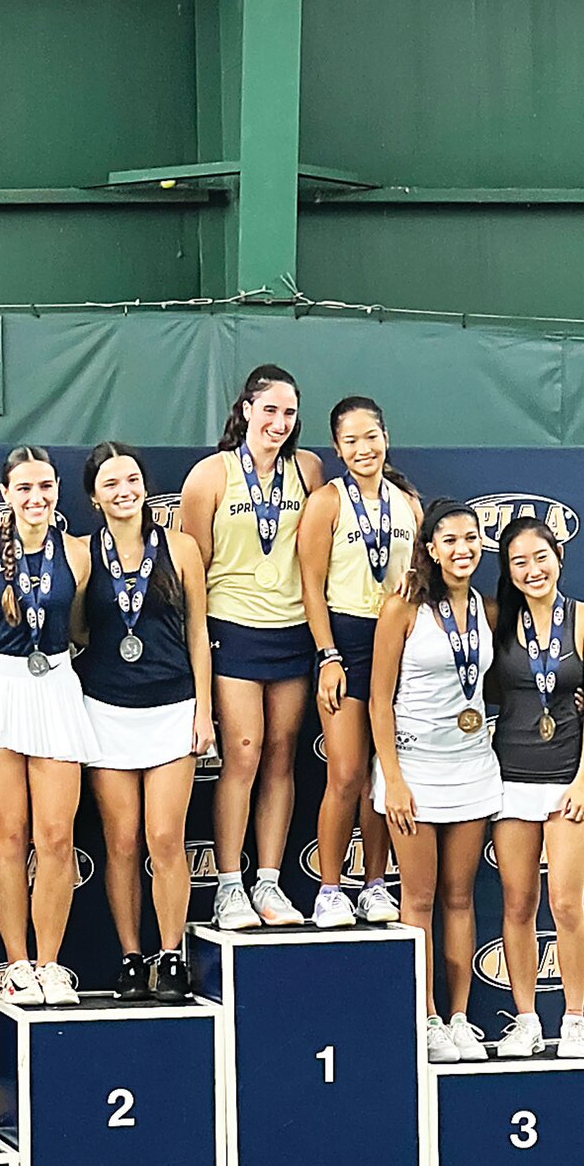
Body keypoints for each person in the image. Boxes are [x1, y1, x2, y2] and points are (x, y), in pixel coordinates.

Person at [0, 446, 99, 1008]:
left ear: (58, 491)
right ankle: (16, 967)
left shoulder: (78, 555)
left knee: (56, 839)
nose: (36, 499)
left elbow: (78, 628)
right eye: (24, 489)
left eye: (46, 488)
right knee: (8, 839)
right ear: (5, 495)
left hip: (55, 686)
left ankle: (51, 966)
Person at [180, 364, 323, 929]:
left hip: (292, 629)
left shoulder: (308, 470)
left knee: (283, 755)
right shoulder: (208, 477)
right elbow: (195, 570)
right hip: (232, 626)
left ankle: (268, 882)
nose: (280, 423)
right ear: (245, 410)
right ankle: (228, 885)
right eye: (269, 410)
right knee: (243, 751)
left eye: (289, 413)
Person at [76, 443, 215, 1002]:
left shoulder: (179, 548)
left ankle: (172, 955)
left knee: (165, 837)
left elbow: (198, 633)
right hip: (107, 709)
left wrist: (204, 709)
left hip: (173, 707)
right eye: (110, 483)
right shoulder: (84, 556)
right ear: (93, 497)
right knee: (123, 842)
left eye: (131, 479)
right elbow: (79, 630)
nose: (124, 490)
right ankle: (132, 957)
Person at [369, 500, 501, 1064]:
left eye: (470, 539)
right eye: (449, 540)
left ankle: (460, 1019)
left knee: (460, 897)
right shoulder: (402, 608)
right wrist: (392, 780)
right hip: (414, 771)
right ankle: (423, 1017)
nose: (462, 550)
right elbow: (378, 699)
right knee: (417, 900)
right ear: (429, 549)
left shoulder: (491, 611)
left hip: (472, 767)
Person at [489, 519, 584, 1059]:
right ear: (509, 571)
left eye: (540, 557)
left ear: (559, 556)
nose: (532, 570)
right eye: (519, 562)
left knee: (565, 903)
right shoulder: (496, 620)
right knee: (518, 903)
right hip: (510, 781)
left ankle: (575, 1020)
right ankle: (524, 1020)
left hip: (571, 783)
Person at [299, 396, 422, 928]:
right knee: (346, 773)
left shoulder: (408, 504)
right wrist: (328, 654)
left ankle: (375, 883)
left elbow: (421, 578)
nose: (362, 448)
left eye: (370, 436)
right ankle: (330, 887)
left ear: (386, 437)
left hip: (396, 641)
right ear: (337, 447)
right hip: (345, 639)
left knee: (380, 775)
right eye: (350, 440)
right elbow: (309, 584)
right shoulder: (327, 502)